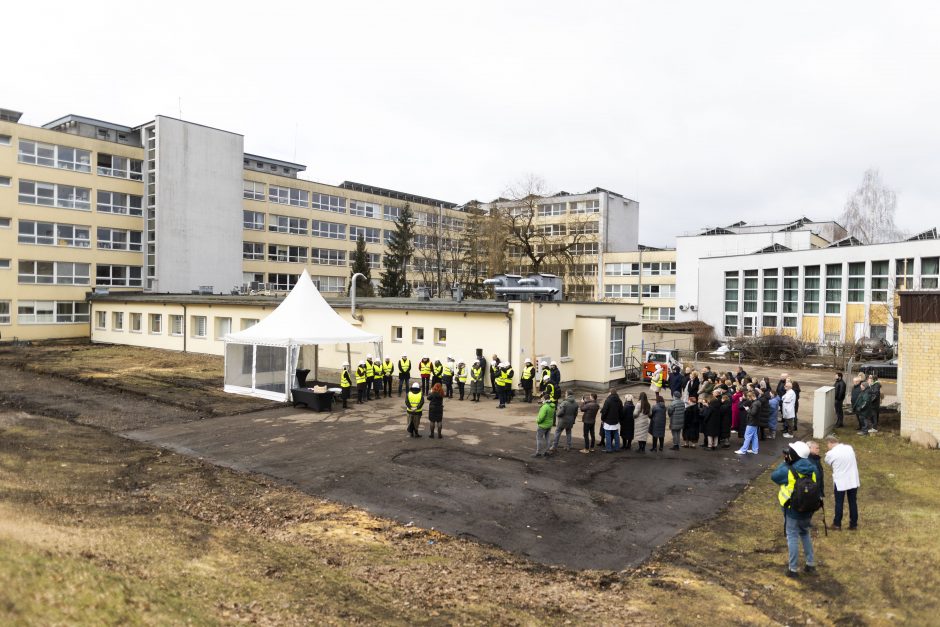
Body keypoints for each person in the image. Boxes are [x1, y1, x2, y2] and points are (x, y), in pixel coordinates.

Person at [771, 442, 819, 577]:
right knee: (805, 533)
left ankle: (793, 569)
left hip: (792, 509)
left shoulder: (788, 470)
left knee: (792, 536)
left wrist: (785, 463)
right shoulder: (813, 468)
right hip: (808, 508)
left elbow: (774, 477)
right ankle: (810, 563)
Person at [825, 435, 860, 530]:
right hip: (853, 479)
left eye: (827, 444)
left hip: (840, 481)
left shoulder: (830, 454)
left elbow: (828, 462)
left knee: (839, 502)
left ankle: (837, 524)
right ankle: (853, 524)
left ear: (830, 443)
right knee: (853, 502)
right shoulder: (849, 448)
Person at [532, 392, 555, 458]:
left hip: (543, 425)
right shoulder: (552, 405)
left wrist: (537, 421)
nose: (541, 400)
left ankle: (538, 452)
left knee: (539, 438)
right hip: (549, 424)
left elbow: (541, 417)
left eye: (542, 398)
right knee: (547, 438)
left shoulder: (544, 407)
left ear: (544, 399)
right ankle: (547, 451)